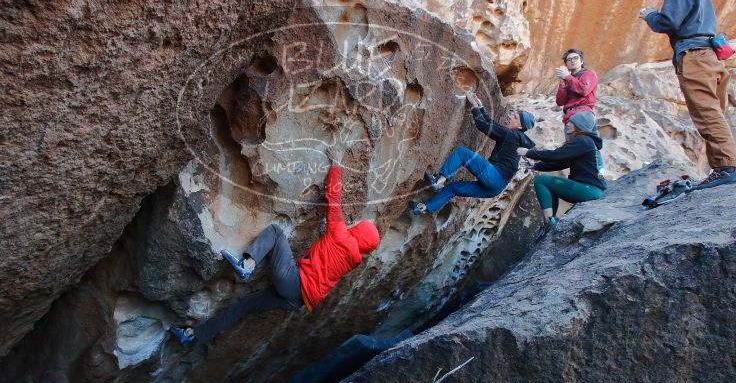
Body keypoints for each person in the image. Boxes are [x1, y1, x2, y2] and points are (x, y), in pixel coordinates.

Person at [170, 147, 380, 346]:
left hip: (293, 282)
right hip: (296, 301)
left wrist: (336, 164)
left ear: (359, 233)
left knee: (276, 233)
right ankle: (192, 335)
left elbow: (334, 198)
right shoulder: (353, 260)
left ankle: (247, 265)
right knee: (243, 305)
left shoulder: (341, 236)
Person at [639, 0, 736, 190]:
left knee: (706, 113)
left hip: (694, 56)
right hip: (711, 56)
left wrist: (650, 15)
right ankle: (723, 167)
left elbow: (670, 22)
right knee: (715, 111)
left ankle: (727, 167)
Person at [410, 92, 535, 215]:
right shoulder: (517, 137)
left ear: (520, 126)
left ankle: (438, 181)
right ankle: (424, 208)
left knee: (462, 153)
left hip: (495, 177)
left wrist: (474, 107)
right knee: (454, 188)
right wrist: (480, 107)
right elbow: (493, 125)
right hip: (495, 189)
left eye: (515, 118)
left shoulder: (511, 135)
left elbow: (483, 126)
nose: (511, 117)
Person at [517, 112, 606, 242]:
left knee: (541, 180)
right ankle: (551, 221)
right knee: (550, 185)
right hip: (593, 190)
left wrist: (530, 153)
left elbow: (556, 155)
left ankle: (549, 223)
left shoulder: (583, 140)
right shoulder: (587, 143)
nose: (568, 124)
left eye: (571, 122)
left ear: (579, 126)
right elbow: (561, 162)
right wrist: (536, 166)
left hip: (589, 190)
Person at [555, 48, 604, 175]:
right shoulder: (568, 79)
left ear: (581, 61)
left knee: (583, 144)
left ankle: (599, 172)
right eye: (568, 59)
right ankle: (587, 173)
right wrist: (562, 82)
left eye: (575, 58)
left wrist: (567, 77)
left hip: (582, 113)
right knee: (580, 146)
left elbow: (584, 90)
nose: (572, 61)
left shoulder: (588, 74)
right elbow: (560, 101)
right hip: (570, 116)